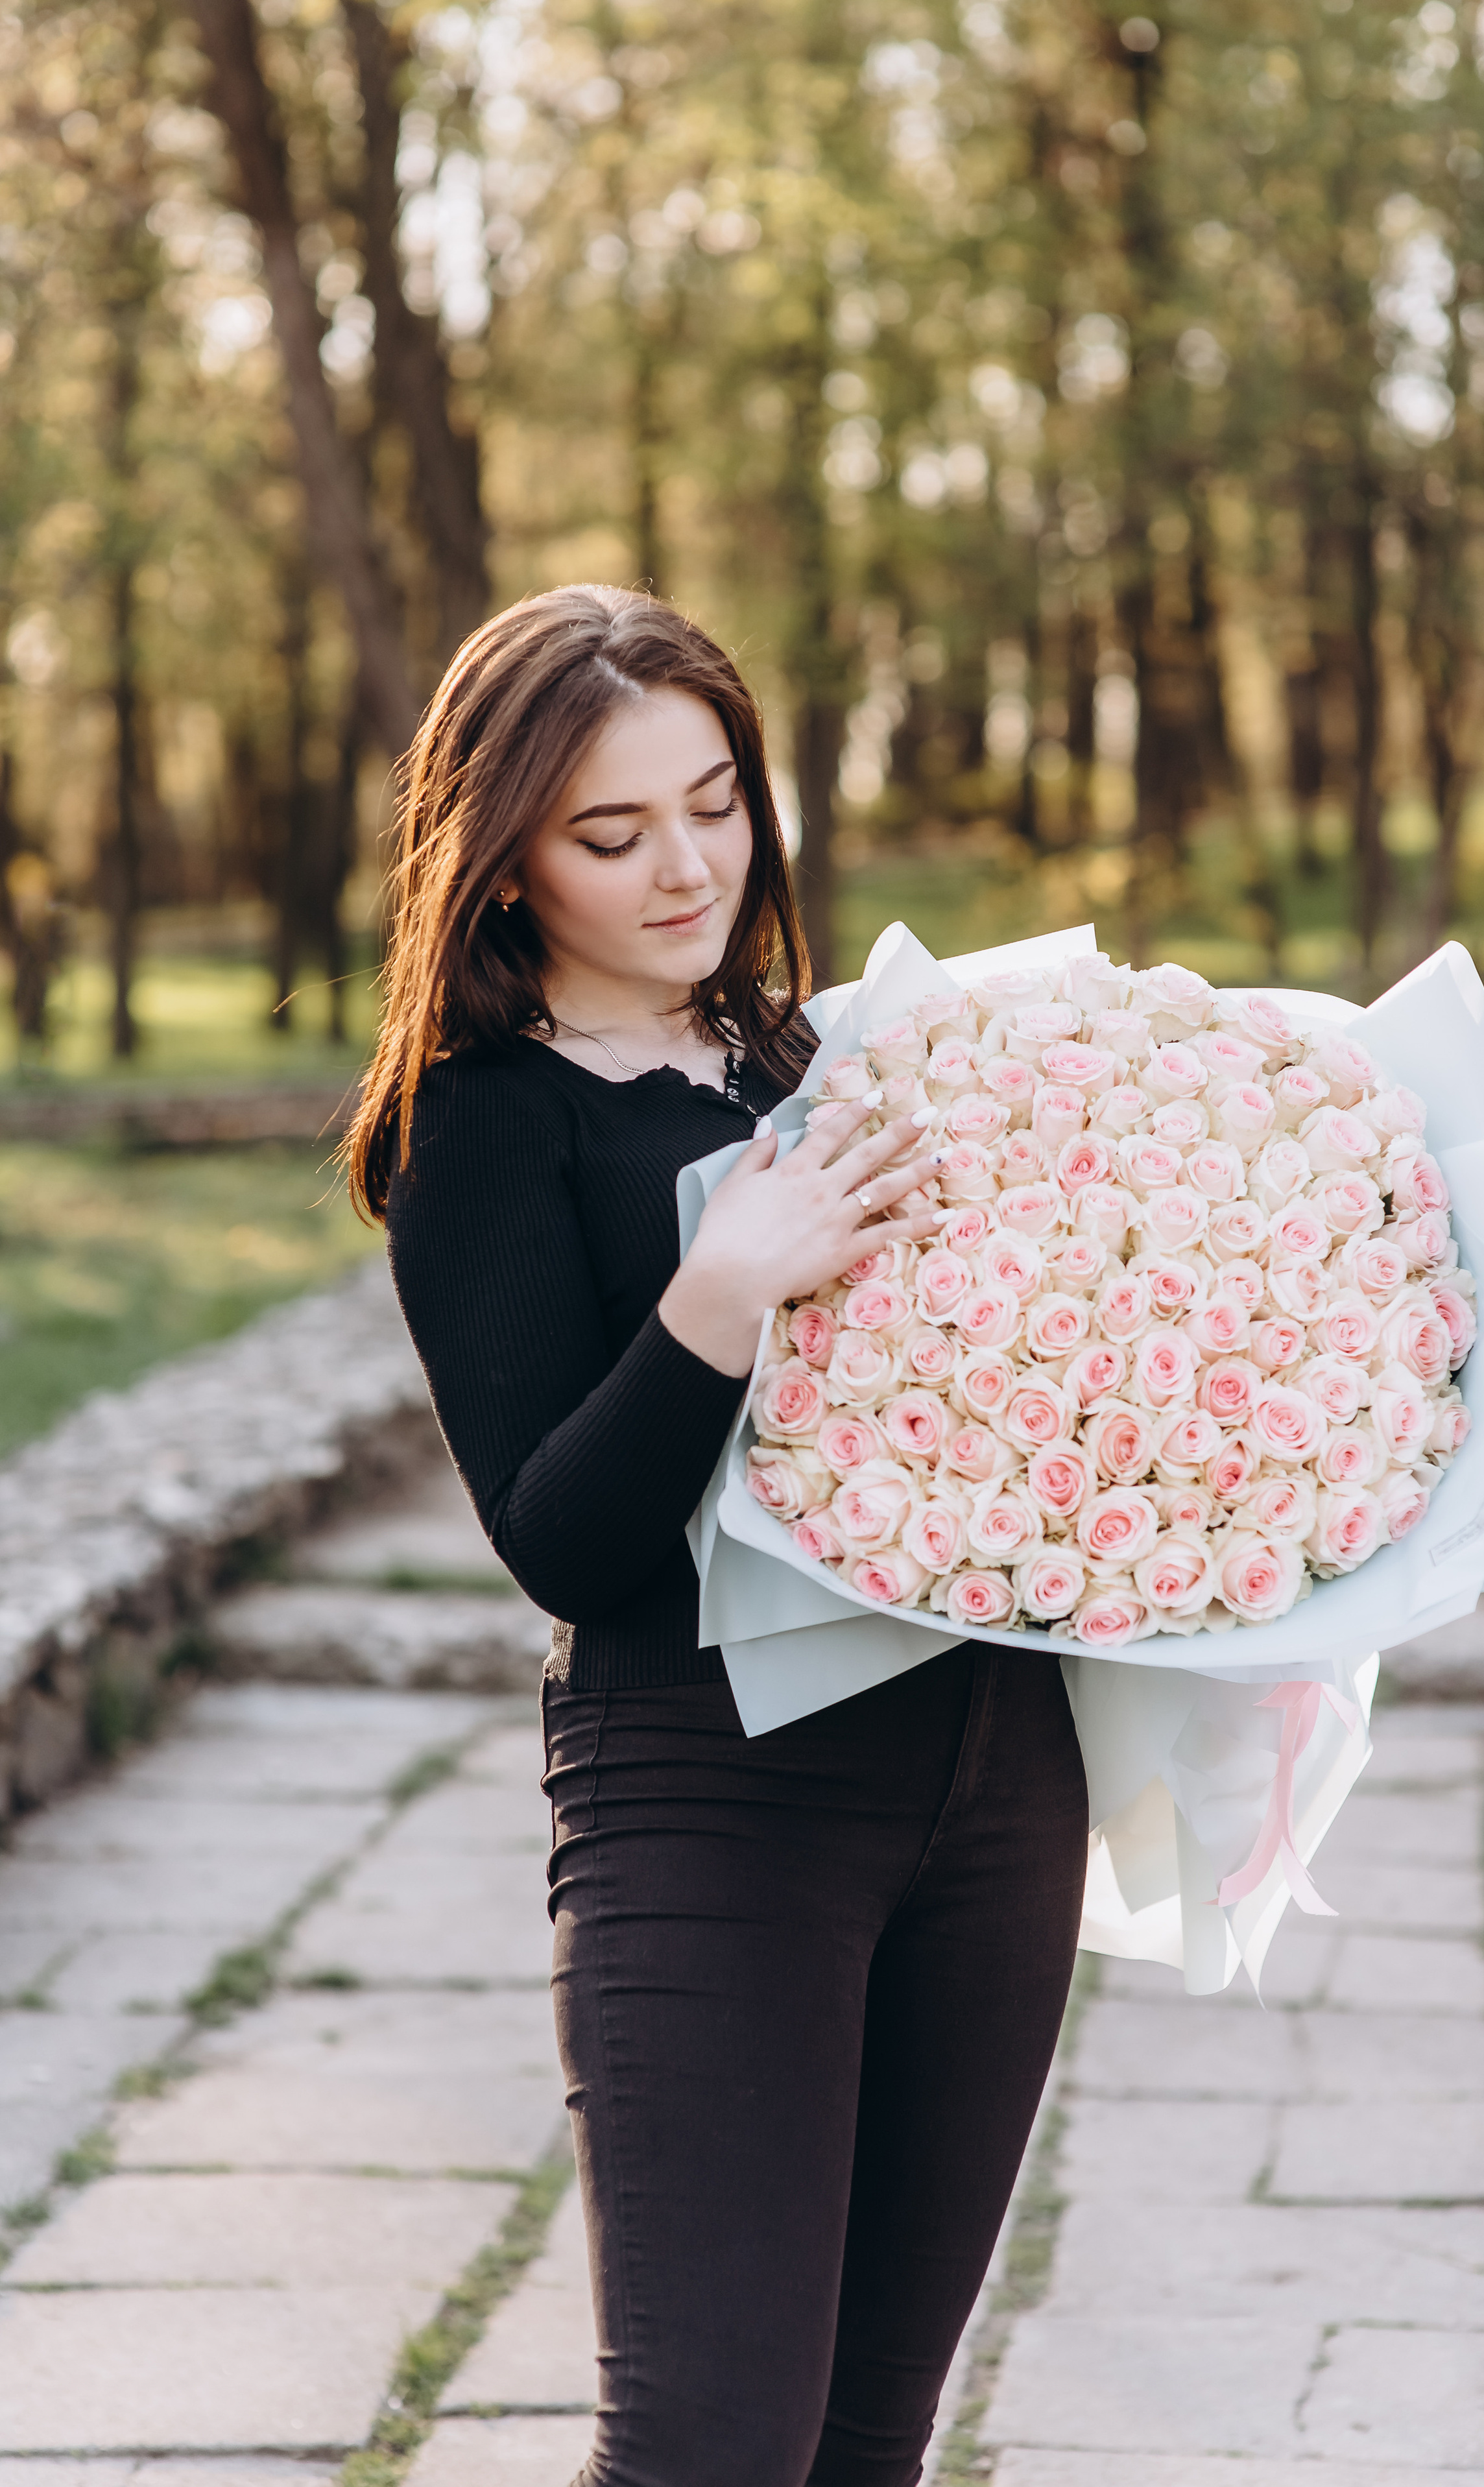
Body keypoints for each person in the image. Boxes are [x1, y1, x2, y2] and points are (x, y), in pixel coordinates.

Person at [348, 584, 1088, 2487]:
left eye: (716, 802)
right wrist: (715, 1300)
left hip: (1000, 1781)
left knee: (865, 2445)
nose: (687, 865)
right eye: (612, 832)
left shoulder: (825, 1061)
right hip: (712, 1799)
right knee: (706, 2453)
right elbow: (565, 1541)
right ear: (504, 859)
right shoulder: (484, 1126)